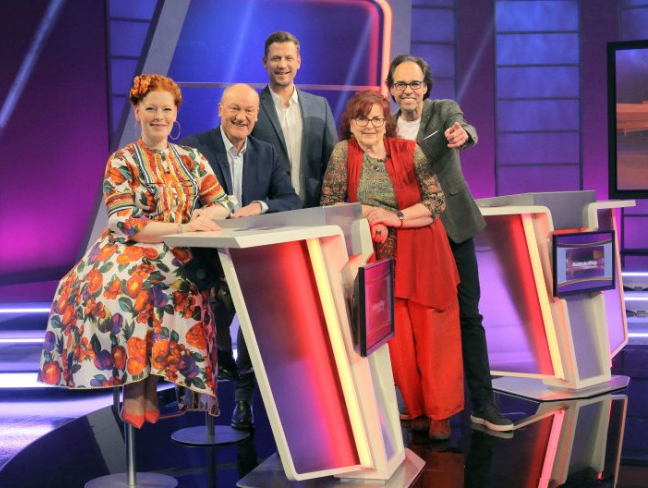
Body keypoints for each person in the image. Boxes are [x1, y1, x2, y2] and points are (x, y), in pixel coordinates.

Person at [38, 74, 233, 429]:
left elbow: (223, 202)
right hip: (131, 248)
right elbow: (123, 221)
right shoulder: (122, 160)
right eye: (151, 109)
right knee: (133, 289)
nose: (159, 116)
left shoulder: (191, 158)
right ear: (138, 111)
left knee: (175, 289)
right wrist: (181, 228)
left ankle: (149, 383)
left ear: (176, 113)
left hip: (180, 253)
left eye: (166, 109)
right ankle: (136, 383)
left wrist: (204, 216)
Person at [321, 90, 463, 440]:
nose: (369, 125)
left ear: (387, 123)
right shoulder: (343, 153)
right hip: (379, 258)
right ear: (350, 124)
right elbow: (330, 205)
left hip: (424, 252)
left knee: (434, 336)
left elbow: (436, 202)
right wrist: (371, 213)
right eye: (361, 118)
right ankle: (415, 410)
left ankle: (440, 414)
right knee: (396, 342)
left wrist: (395, 217)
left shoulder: (410, 150)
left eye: (376, 118)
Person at [386, 54, 514, 432]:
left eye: (414, 83)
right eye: (400, 84)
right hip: (411, 235)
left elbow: (465, 129)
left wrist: (464, 135)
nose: (407, 91)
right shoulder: (386, 127)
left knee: (468, 316)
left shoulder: (443, 111)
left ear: (425, 86)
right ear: (391, 89)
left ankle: (483, 404)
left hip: (452, 227)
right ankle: (421, 404)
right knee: (414, 322)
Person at [180, 84, 302, 430]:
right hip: (205, 261)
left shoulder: (267, 153)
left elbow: (291, 200)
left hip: (251, 262)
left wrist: (259, 206)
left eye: (249, 111)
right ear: (220, 109)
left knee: (253, 322)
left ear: (257, 115)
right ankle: (211, 378)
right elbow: (182, 204)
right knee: (215, 318)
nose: (241, 117)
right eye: (234, 108)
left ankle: (244, 401)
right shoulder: (193, 148)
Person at [251, 31, 338, 208]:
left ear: (298, 61)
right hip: (268, 211)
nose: (282, 65)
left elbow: (334, 164)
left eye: (288, 58)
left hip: (313, 210)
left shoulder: (320, 106)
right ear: (265, 62)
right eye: (276, 58)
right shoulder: (251, 107)